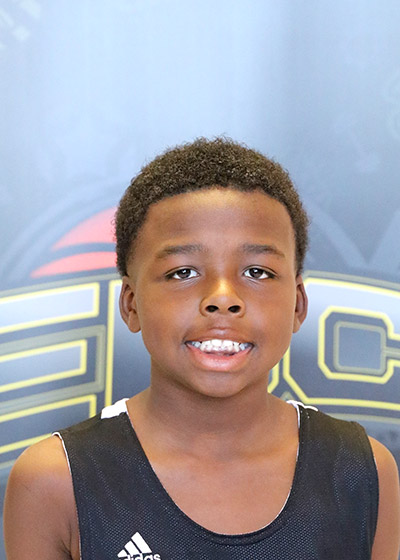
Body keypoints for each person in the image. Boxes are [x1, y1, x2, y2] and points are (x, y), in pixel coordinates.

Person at [4, 138, 400, 559]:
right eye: (183, 272)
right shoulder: (56, 480)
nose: (223, 298)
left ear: (298, 305)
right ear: (131, 304)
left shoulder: (362, 471)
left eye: (257, 271)